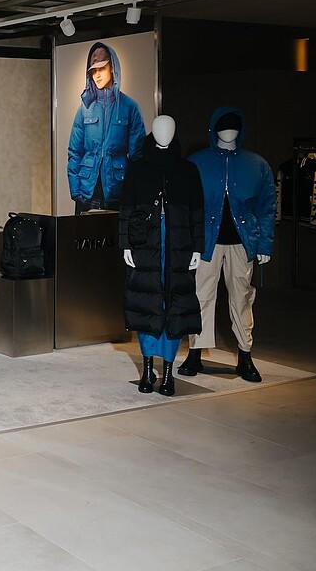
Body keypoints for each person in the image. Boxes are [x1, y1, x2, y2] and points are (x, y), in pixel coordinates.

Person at [180, 107, 276, 382]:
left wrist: (265, 244)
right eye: (224, 126)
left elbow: (267, 207)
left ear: (241, 130)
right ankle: (195, 352)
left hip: (242, 243)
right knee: (201, 296)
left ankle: (245, 355)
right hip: (206, 244)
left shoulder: (256, 165)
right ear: (213, 130)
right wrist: (188, 242)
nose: (229, 131)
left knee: (242, 298)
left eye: (234, 126)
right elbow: (186, 206)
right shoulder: (197, 162)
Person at [119, 116, 204, 396]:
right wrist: (126, 244)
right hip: (145, 242)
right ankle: (147, 369)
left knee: (174, 304)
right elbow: (127, 209)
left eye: (169, 128)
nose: (164, 133)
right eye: (158, 128)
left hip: (179, 244)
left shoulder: (188, 170)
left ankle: (168, 372)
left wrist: (197, 248)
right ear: (151, 133)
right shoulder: (137, 168)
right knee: (147, 302)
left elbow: (197, 212)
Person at [67, 41, 147, 213]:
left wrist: (133, 192)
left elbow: (138, 157)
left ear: (112, 67)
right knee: (84, 230)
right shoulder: (85, 109)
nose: (97, 75)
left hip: (118, 190)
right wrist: (76, 191)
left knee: (115, 231)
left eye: (102, 68)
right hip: (87, 192)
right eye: (93, 70)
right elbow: (74, 152)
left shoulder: (129, 107)